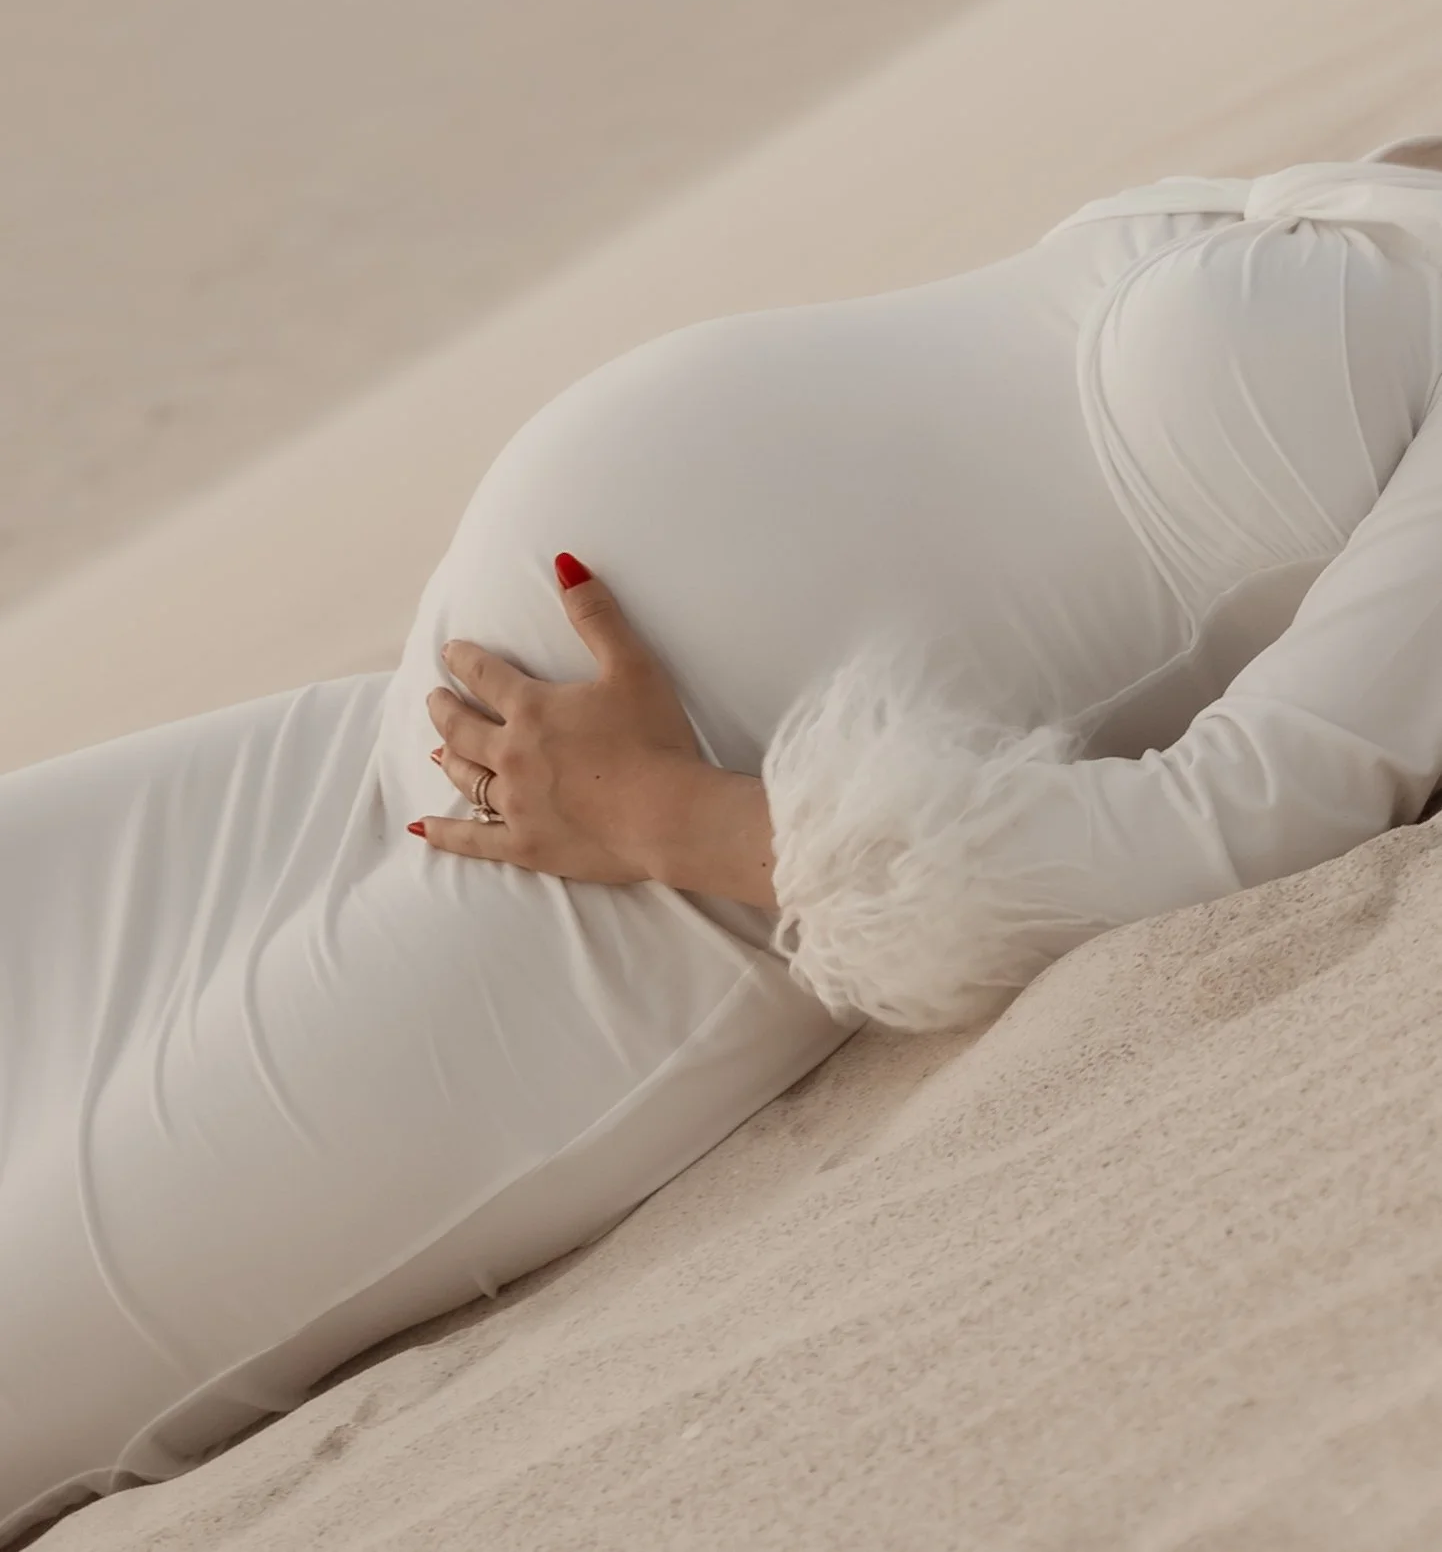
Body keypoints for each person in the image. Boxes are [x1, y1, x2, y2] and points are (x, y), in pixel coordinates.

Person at [6, 134, 1442, 1542]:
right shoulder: (1405, 164)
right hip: (377, 735)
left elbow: (1248, 813)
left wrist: (657, 812)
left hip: (578, 928)